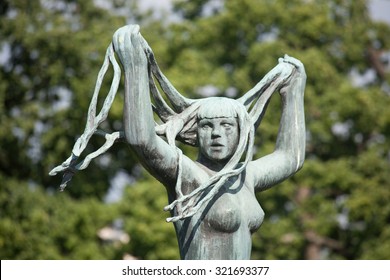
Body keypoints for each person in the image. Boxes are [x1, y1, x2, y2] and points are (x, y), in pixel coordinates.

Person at [50, 24, 306, 260]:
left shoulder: (245, 177)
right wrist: (136, 67)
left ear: (241, 133)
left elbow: (290, 157)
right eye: (207, 126)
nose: (217, 134)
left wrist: (293, 91)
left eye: (226, 126)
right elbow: (142, 140)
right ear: (195, 134)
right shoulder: (187, 172)